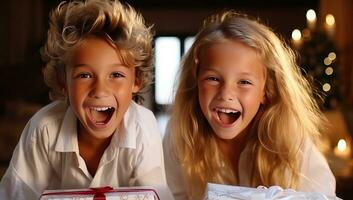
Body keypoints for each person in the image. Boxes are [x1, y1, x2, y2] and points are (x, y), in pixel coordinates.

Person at [0, 0, 172, 199]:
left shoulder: (142, 127)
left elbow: (154, 196)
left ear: (137, 80)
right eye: (84, 75)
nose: (100, 91)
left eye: (116, 75)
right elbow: (16, 196)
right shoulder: (44, 129)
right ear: (62, 80)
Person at [163, 11, 336, 200]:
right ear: (196, 82)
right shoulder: (181, 135)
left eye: (244, 82)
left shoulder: (291, 140)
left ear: (266, 91)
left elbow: (323, 196)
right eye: (212, 78)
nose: (226, 94)